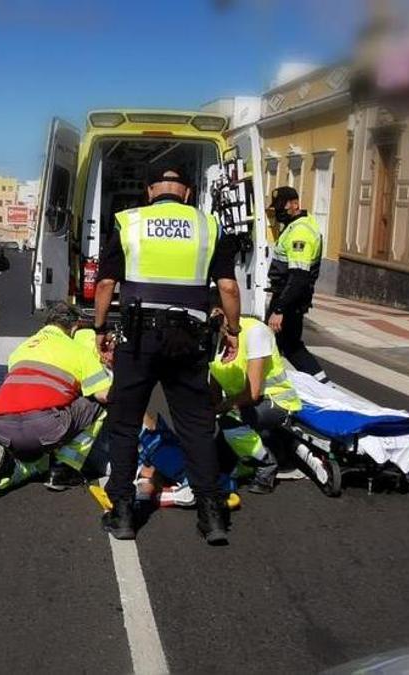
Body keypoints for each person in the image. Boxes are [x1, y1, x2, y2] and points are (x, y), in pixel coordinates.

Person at [94, 164, 242, 545]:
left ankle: (123, 513)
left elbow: (107, 282)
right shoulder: (209, 225)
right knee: (195, 426)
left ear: (149, 192)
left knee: (125, 424)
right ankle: (212, 516)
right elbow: (227, 286)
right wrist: (234, 330)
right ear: (188, 193)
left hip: (138, 337)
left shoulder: (128, 222)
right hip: (188, 338)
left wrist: (99, 330)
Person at [0, 303, 112, 497]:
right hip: (44, 427)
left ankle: (13, 467)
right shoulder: (77, 349)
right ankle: (64, 467)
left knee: (36, 443)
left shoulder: (22, 348)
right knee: (97, 407)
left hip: (2, 427)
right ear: (74, 328)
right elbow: (104, 394)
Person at [210, 315, 302, 494]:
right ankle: (247, 462)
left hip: (275, 400)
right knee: (218, 458)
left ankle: (266, 465)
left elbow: (252, 393)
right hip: (240, 403)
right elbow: (214, 377)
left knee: (230, 423)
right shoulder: (216, 338)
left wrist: (219, 409)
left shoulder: (254, 331)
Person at [266, 186, 328, 383]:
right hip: (287, 297)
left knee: (280, 346)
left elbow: (299, 277)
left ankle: (322, 387)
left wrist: (279, 308)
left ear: (295, 204)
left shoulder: (300, 231)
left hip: (289, 300)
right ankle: (323, 385)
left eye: (282, 207)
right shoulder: (294, 226)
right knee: (288, 346)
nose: (279, 212)